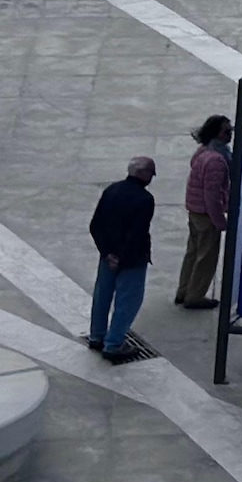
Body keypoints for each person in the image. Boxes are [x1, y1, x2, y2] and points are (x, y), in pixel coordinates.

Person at [87, 154, 158, 361]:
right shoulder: (145, 199)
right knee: (127, 302)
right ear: (143, 173)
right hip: (131, 259)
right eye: (151, 173)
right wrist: (121, 257)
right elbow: (137, 233)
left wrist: (107, 253)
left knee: (102, 297)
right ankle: (114, 344)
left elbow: (95, 225)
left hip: (107, 256)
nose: (152, 177)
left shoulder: (111, 190)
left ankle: (96, 336)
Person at [174, 114, 235, 312]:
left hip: (195, 210)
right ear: (217, 133)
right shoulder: (216, 160)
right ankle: (195, 296)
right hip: (206, 214)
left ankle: (184, 290)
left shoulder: (203, 151)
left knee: (192, 253)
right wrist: (220, 221)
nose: (230, 134)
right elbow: (212, 195)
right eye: (227, 131)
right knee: (206, 258)